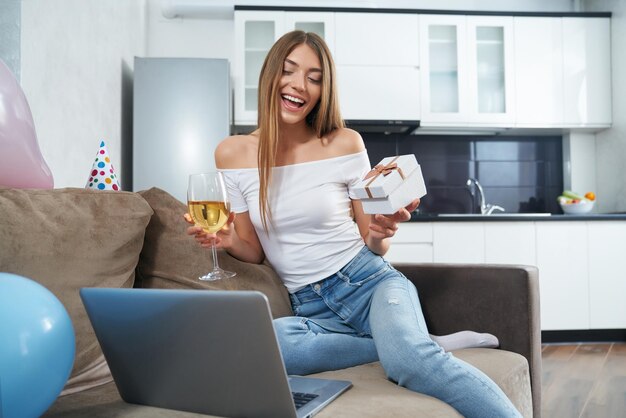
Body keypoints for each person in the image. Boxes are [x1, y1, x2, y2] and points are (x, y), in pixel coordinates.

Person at [186, 30, 521, 417]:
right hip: (308, 307)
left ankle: (411, 348)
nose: (299, 85)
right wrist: (227, 238)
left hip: (370, 283)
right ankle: (419, 340)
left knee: (408, 364)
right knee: (266, 348)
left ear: (323, 89)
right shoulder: (232, 153)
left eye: (314, 77)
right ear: (270, 76)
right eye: (290, 71)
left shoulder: (345, 143)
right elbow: (254, 249)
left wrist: (380, 234)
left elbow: (371, 239)